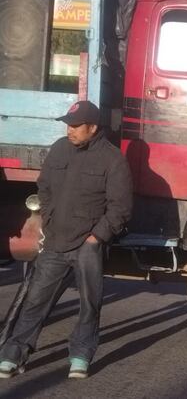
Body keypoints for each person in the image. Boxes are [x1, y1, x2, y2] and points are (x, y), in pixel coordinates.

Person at [0, 101, 133, 379]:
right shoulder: (60, 148)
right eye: (68, 125)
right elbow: (44, 186)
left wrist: (97, 237)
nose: (69, 130)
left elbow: (120, 206)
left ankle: (80, 357)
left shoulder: (112, 159)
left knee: (89, 303)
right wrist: (48, 218)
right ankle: (13, 355)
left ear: (93, 128)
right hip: (56, 241)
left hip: (87, 245)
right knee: (36, 299)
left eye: (75, 126)